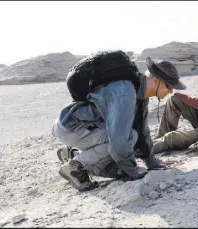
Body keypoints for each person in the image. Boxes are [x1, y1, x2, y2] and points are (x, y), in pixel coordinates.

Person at [52, 55, 186, 191]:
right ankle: (74, 166)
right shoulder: (126, 92)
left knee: (119, 163)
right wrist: (132, 171)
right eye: (169, 86)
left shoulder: (139, 90)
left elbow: (141, 129)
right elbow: (118, 139)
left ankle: (74, 154)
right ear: (156, 81)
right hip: (72, 127)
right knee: (127, 140)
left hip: (86, 127)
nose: (171, 91)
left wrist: (151, 162)